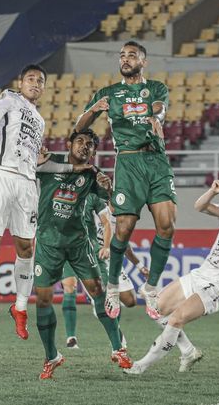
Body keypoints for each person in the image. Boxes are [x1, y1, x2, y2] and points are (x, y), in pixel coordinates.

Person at [125, 179, 219, 375]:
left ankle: (141, 365)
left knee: (176, 319)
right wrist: (213, 192)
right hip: (201, 273)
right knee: (156, 309)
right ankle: (188, 351)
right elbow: (200, 206)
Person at [74, 40, 176, 320]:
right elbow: (78, 127)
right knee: (123, 229)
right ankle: (113, 287)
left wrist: (156, 117)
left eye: (132, 55)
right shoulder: (108, 92)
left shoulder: (155, 87)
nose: (126, 59)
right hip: (128, 162)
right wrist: (95, 109)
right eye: (122, 55)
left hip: (156, 160)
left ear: (144, 61)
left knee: (166, 225)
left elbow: (159, 106)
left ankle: (152, 289)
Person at [33, 129, 132, 380]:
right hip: (47, 243)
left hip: (78, 244)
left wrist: (109, 189)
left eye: (90, 144)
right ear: (69, 144)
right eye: (80, 142)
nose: (85, 147)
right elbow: (30, 166)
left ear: (95, 151)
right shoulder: (51, 160)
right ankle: (51, 356)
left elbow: (113, 206)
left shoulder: (94, 174)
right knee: (43, 300)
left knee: (98, 291)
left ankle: (118, 348)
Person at [0, 64, 48, 339]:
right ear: (21, 82)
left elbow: (29, 149)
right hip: (1, 176)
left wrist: (40, 155)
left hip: (27, 183)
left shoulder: (40, 121)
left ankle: (19, 308)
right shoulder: (9, 98)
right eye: (31, 79)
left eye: (40, 81)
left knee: (26, 248)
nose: (35, 83)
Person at [61, 197, 148, 350]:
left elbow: (125, 245)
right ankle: (111, 332)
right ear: (108, 202)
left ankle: (111, 321)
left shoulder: (123, 219)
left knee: (130, 301)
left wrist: (140, 266)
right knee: (88, 290)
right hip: (92, 256)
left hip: (113, 260)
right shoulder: (97, 210)